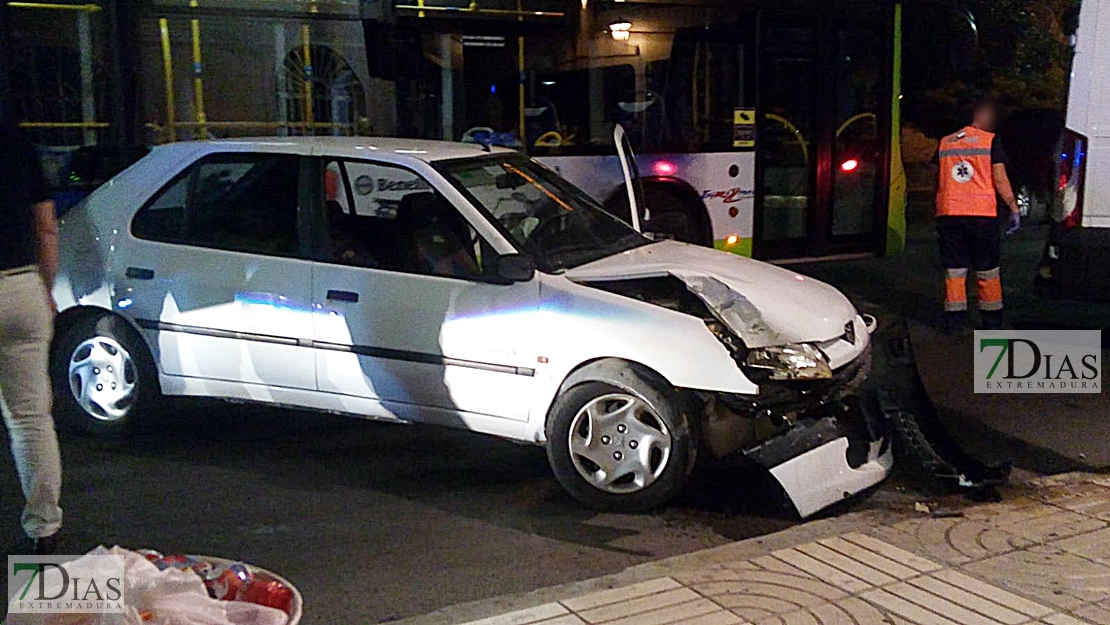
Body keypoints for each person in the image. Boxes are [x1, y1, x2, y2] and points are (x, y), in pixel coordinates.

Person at [0, 119, 63, 554]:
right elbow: (46, 226)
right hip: (21, 287)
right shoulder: (14, 139)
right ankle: (43, 529)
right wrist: (45, 289)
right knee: (30, 420)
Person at [935, 94, 1021, 333]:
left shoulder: (945, 142)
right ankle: (991, 322)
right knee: (987, 270)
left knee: (954, 269)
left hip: (949, 213)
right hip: (981, 215)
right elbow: (999, 177)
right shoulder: (990, 141)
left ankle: (954, 322)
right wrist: (1013, 207)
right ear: (979, 115)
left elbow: (940, 178)